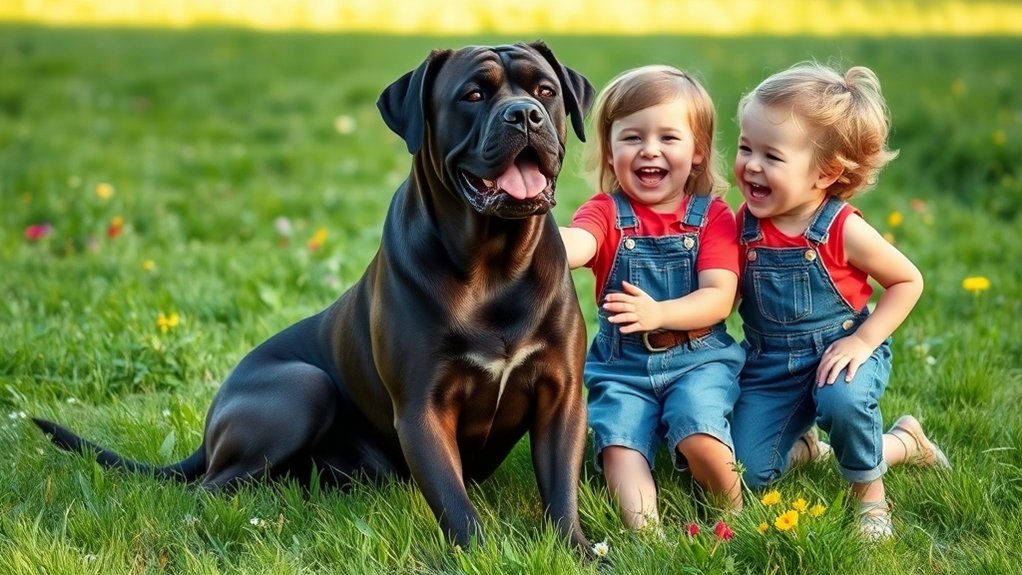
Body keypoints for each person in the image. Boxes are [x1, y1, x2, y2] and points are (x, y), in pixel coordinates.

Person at [728, 61, 950, 541]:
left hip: (841, 351)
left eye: (772, 155)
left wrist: (864, 342)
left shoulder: (841, 228)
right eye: (746, 147)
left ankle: (874, 492)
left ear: (825, 173)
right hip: (770, 364)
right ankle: (812, 448)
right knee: (744, 470)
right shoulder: (741, 225)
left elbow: (908, 280)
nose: (752, 165)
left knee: (844, 401)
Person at [558, 65, 745, 530]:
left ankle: (732, 515)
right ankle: (649, 536)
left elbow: (719, 298)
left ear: (698, 152)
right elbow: (580, 244)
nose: (649, 149)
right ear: (610, 150)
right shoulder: (605, 211)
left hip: (698, 360)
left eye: (668, 137)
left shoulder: (713, 216)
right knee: (620, 446)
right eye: (632, 137)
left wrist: (658, 312)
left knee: (699, 431)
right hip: (622, 367)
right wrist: (537, 239)